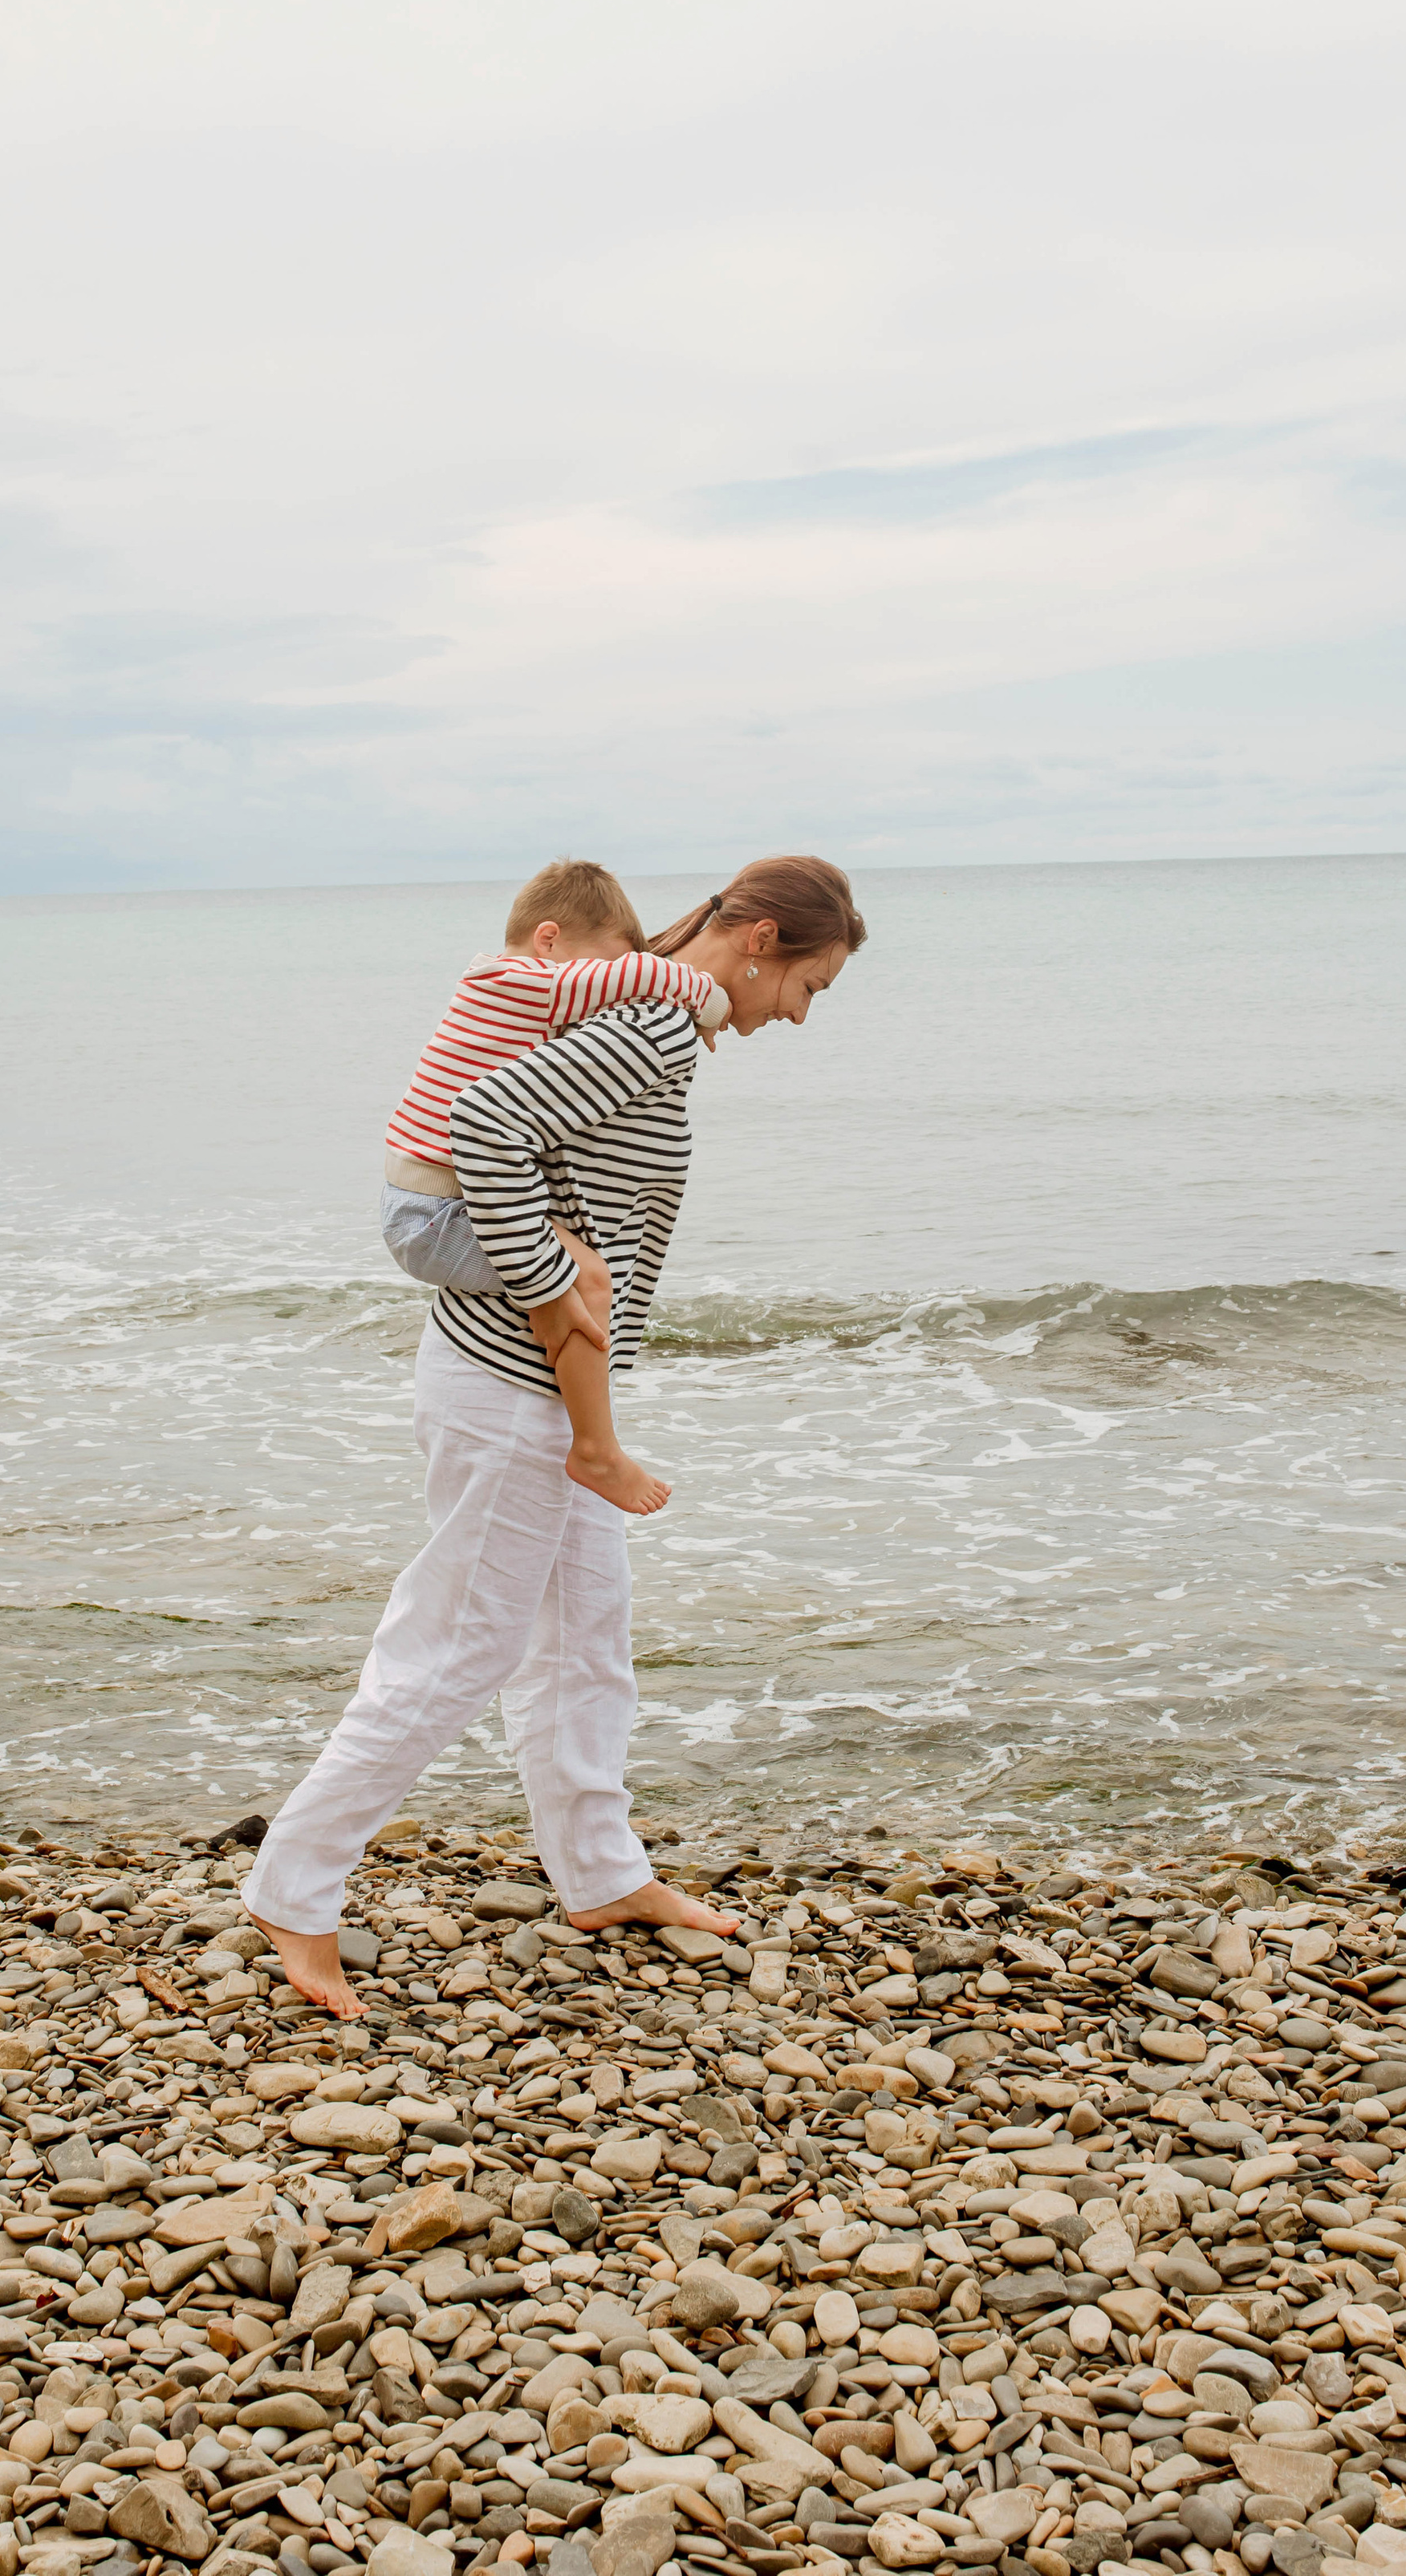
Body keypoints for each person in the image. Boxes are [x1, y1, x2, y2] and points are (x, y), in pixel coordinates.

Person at [246, 854, 868, 2018]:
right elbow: (484, 1125)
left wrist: (571, 1299)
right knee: (459, 1648)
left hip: (534, 1387)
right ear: (764, 940)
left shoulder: (649, 1017)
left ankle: (602, 1874)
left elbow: (537, 1156)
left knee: (586, 1633)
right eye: (811, 987)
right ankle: (294, 1887)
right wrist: (556, 1279)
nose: (797, 1015)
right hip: (505, 1388)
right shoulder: (650, 1026)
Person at [380, 856, 731, 1516]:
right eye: (598, 966)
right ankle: (595, 1448)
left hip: (419, 1204)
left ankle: (593, 1439)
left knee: (577, 1276)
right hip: (435, 1212)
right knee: (586, 1280)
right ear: (550, 941)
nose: (604, 987)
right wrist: (707, 1000)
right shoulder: (534, 983)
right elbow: (643, 973)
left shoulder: (490, 981)